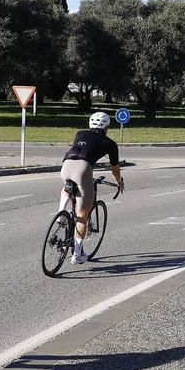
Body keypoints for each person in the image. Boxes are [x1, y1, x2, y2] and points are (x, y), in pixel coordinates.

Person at [60, 111, 125, 264]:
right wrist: (119, 181)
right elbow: (115, 168)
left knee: (67, 186)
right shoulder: (110, 143)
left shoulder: (80, 133)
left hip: (66, 166)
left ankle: (61, 213)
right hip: (83, 170)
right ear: (107, 127)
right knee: (82, 214)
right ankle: (77, 255)